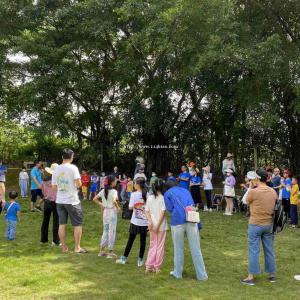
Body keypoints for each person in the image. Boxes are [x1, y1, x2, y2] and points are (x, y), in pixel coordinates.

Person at [164, 180, 208, 281]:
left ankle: (177, 273)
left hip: (177, 221)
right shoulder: (186, 190)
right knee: (196, 248)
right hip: (191, 219)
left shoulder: (167, 193)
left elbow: (169, 208)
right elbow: (192, 205)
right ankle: (202, 276)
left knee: (178, 248)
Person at [241, 169, 277, 286]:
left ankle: (251, 277)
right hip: (269, 224)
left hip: (255, 224)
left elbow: (244, 201)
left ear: (257, 178)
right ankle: (272, 275)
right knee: (269, 250)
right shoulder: (273, 192)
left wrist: (251, 187)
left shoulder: (254, 192)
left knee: (254, 250)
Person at [52, 149, 87, 254]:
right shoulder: (73, 168)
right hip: (72, 201)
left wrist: (63, 187)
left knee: (62, 224)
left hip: (60, 201)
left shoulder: (56, 169)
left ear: (62, 157)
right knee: (77, 224)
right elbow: (79, 184)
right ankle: (77, 248)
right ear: (71, 157)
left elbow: (54, 187)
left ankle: (64, 248)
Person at [116, 178, 148, 266]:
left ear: (138, 185)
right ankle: (140, 261)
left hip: (135, 221)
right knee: (143, 241)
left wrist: (136, 206)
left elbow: (130, 207)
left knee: (130, 240)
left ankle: (124, 259)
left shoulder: (134, 194)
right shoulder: (148, 194)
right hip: (145, 222)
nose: (133, 185)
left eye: (134, 183)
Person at [93, 175, 120, 258]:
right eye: (115, 180)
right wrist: (118, 207)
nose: (116, 182)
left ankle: (101, 251)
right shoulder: (114, 191)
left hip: (105, 212)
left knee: (105, 230)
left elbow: (94, 199)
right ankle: (110, 252)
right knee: (112, 231)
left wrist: (102, 204)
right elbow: (114, 200)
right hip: (112, 212)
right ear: (112, 182)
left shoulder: (103, 190)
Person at [145, 179, 168, 273]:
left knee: (153, 244)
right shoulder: (163, 198)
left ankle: (149, 266)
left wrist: (150, 222)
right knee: (160, 246)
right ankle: (157, 267)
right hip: (161, 226)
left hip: (152, 225)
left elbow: (146, 211)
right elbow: (163, 212)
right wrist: (157, 225)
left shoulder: (149, 198)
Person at [41, 163, 60, 246]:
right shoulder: (57, 182)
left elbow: (43, 191)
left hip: (46, 201)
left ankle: (43, 239)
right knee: (56, 221)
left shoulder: (44, 181)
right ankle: (55, 241)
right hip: (55, 202)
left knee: (45, 221)